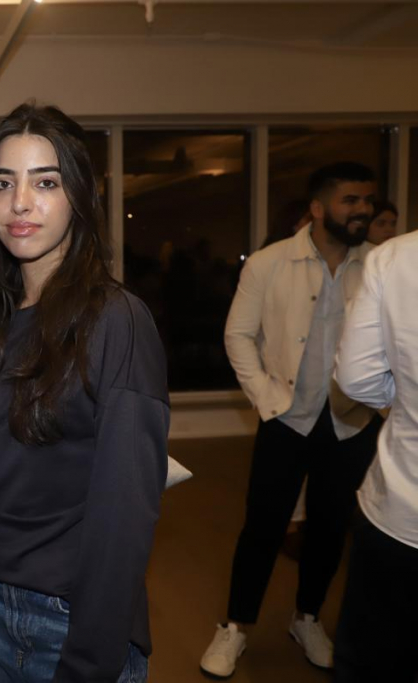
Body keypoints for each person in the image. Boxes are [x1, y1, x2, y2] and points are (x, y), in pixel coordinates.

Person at [0, 104, 168, 683]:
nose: (19, 202)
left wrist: (89, 660)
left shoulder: (117, 320)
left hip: (67, 615)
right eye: (4, 183)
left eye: (45, 182)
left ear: (80, 195)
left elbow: (125, 515)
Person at [201, 162, 383, 677]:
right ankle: (234, 627)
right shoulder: (269, 263)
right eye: (351, 200)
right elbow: (238, 335)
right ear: (319, 208)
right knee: (262, 526)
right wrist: (264, 397)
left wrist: (381, 403)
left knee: (329, 530)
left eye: (367, 200)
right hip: (285, 417)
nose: (363, 210)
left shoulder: (380, 266)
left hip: (351, 422)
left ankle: (307, 618)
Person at [333, 230, 418, 682]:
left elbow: (356, 378)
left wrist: (403, 404)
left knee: (374, 662)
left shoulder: (397, 257)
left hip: (401, 515)